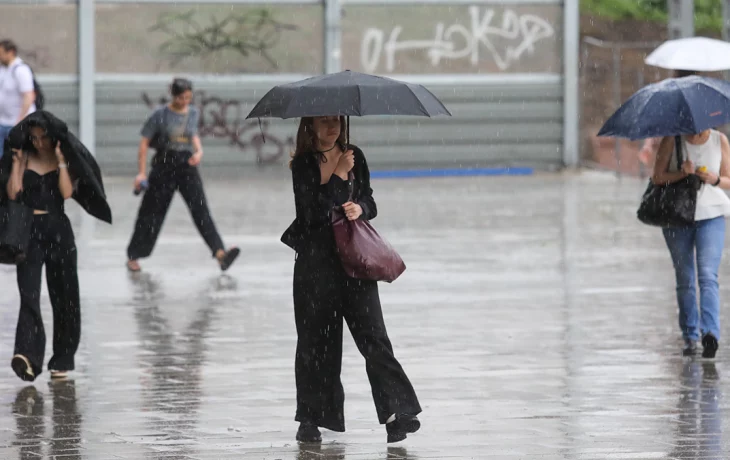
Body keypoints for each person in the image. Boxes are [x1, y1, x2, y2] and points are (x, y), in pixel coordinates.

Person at [281, 115, 422, 444]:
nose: (333, 127)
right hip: (315, 267)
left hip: (355, 263)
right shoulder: (304, 164)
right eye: (324, 121)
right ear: (310, 125)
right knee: (316, 346)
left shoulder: (354, 155)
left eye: (336, 121)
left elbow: (369, 200)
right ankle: (311, 419)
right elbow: (311, 215)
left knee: (375, 338)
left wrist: (361, 208)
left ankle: (398, 414)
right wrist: (337, 175)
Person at [126, 78, 239, 272]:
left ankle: (220, 253)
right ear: (173, 95)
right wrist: (141, 174)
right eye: (181, 98)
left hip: (186, 165)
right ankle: (134, 255)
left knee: (200, 210)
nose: (184, 101)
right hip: (163, 165)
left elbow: (193, 135)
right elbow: (143, 145)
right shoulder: (160, 115)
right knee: (152, 212)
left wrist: (199, 151)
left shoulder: (193, 113)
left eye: (188, 97)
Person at [4, 117, 78, 381]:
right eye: (33, 137)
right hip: (29, 232)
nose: (38, 142)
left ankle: (63, 359)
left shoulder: (62, 158)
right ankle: (27, 357)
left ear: (52, 136)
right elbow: (13, 193)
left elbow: (66, 193)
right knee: (29, 294)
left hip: (59, 230)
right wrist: (17, 164)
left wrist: (60, 161)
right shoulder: (24, 157)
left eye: (42, 137)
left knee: (65, 295)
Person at [652, 128, 730, 358]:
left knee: (707, 275)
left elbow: (728, 178)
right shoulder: (671, 139)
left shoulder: (719, 140)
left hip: (712, 215)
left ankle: (710, 334)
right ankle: (690, 335)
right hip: (677, 217)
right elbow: (657, 177)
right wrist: (682, 174)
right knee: (685, 278)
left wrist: (715, 179)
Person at [638, 70, 699, 168]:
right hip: (680, 147)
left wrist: (648, 145)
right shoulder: (697, 95)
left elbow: (656, 120)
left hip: (679, 147)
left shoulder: (672, 94)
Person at [0, 39, 36, 148]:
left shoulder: (21, 70)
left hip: (17, 122)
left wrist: (20, 120)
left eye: (1, 53)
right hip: (3, 121)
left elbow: (28, 96)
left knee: (18, 153)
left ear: (10, 52)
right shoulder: (3, 69)